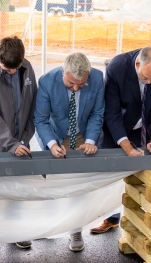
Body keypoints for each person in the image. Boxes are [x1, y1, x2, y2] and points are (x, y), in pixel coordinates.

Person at [92, 47, 151, 234]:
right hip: (120, 126)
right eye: (145, 78)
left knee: (150, 172)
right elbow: (111, 112)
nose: (150, 82)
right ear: (137, 64)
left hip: (148, 125)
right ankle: (111, 218)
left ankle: (150, 220)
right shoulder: (117, 67)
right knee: (114, 175)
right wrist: (126, 145)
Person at [34, 52, 104, 251]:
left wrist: (91, 141)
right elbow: (41, 119)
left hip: (82, 133)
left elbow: (97, 113)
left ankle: (75, 230)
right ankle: (48, 226)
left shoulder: (98, 78)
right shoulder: (47, 81)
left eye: (81, 86)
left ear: (88, 75)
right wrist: (51, 144)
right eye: (71, 84)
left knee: (78, 184)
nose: (75, 89)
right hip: (55, 133)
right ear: (63, 72)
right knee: (52, 183)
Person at [0, 36, 38, 254]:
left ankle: (15, 232)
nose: (12, 72)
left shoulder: (27, 68)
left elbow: (32, 103)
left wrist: (26, 136)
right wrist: (11, 144)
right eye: (6, 68)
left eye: (16, 68)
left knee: (16, 190)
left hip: (20, 141)